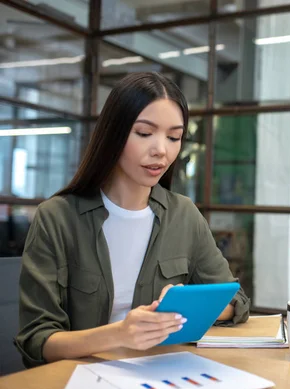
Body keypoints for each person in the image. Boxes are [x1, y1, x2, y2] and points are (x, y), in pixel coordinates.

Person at [15, 72, 250, 367]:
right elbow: (37, 340)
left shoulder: (184, 214)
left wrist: (189, 303)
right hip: (81, 380)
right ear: (114, 134)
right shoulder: (57, 218)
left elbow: (236, 301)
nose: (161, 150)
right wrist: (119, 334)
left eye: (174, 137)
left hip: (160, 376)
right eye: (144, 133)